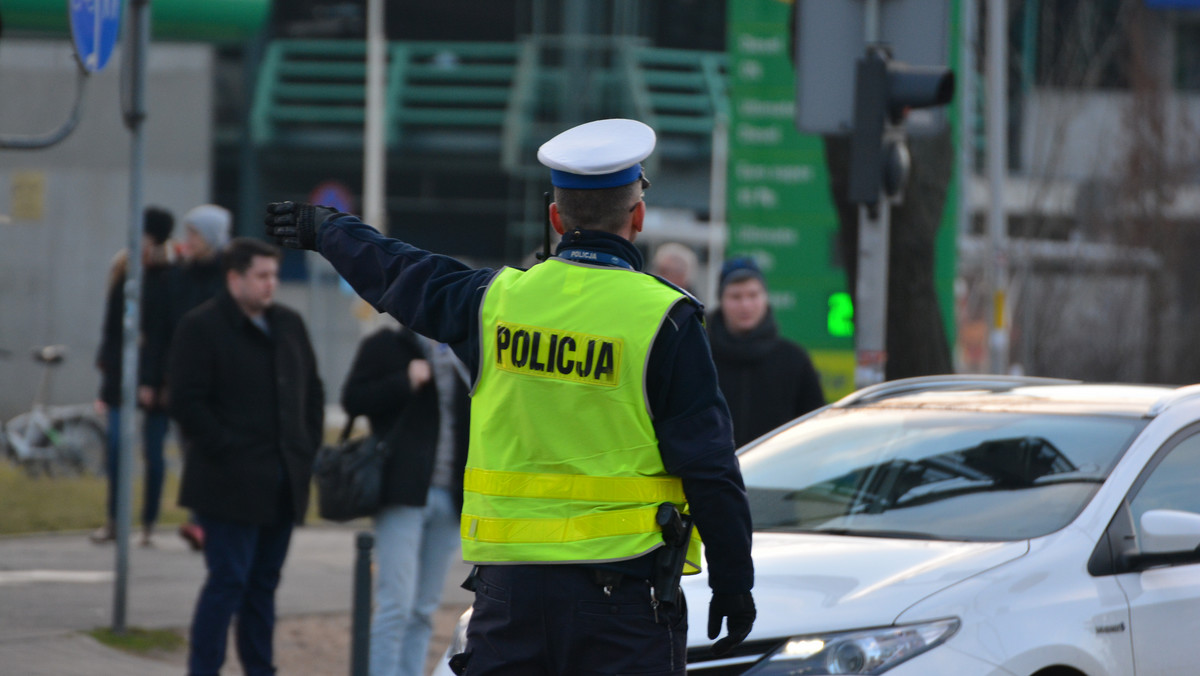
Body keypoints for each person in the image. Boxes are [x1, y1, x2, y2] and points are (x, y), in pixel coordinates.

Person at [266, 118, 755, 675]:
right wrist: (734, 581)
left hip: (508, 602)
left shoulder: (492, 301)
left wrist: (329, 230)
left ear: (555, 216)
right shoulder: (666, 318)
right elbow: (710, 465)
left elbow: (402, 272)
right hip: (624, 604)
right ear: (637, 215)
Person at [167, 237, 324, 676]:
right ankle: (205, 669)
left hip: (281, 482)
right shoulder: (202, 327)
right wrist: (226, 446)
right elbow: (185, 401)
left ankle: (260, 669)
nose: (271, 284)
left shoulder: (289, 324)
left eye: (274, 275)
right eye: (262, 275)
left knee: (263, 587)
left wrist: (305, 446)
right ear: (234, 278)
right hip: (226, 484)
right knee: (228, 583)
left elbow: (313, 390)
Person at [340, 323, 470, 676]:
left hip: (450, 496)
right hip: (402, 491)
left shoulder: (460, 348)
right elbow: (353, 398)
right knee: (396, 604)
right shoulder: (387, 345)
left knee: (424, 609)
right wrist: (405, 380)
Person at [92, 206, 176, 547]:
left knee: (154, 456)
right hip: (119, 378)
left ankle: (148, 525)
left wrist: (153, 382)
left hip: (154, 381)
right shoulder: (123, 271)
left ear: (153, 236)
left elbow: (163, 334)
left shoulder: (169, 277)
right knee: (114, 450)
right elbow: (112, 330)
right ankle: (114, 521)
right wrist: (107, 377)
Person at [708, 256, 825, 448]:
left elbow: (815, 428)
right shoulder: (701, 356)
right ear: (721, 300)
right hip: (712, 474)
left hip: (777, 474)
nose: (745, 305)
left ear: (765, 297)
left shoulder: (793, 359)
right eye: (736, 296)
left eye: (753, 295)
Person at [169, 203, 233, 552]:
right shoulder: (184, 274)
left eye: (193, 233)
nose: (187, 240)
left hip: (218, 381)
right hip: (187, 376)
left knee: (209, 449)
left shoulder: (228, 276)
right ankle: (200, 519)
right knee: (190, 449)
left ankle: (206, 521)